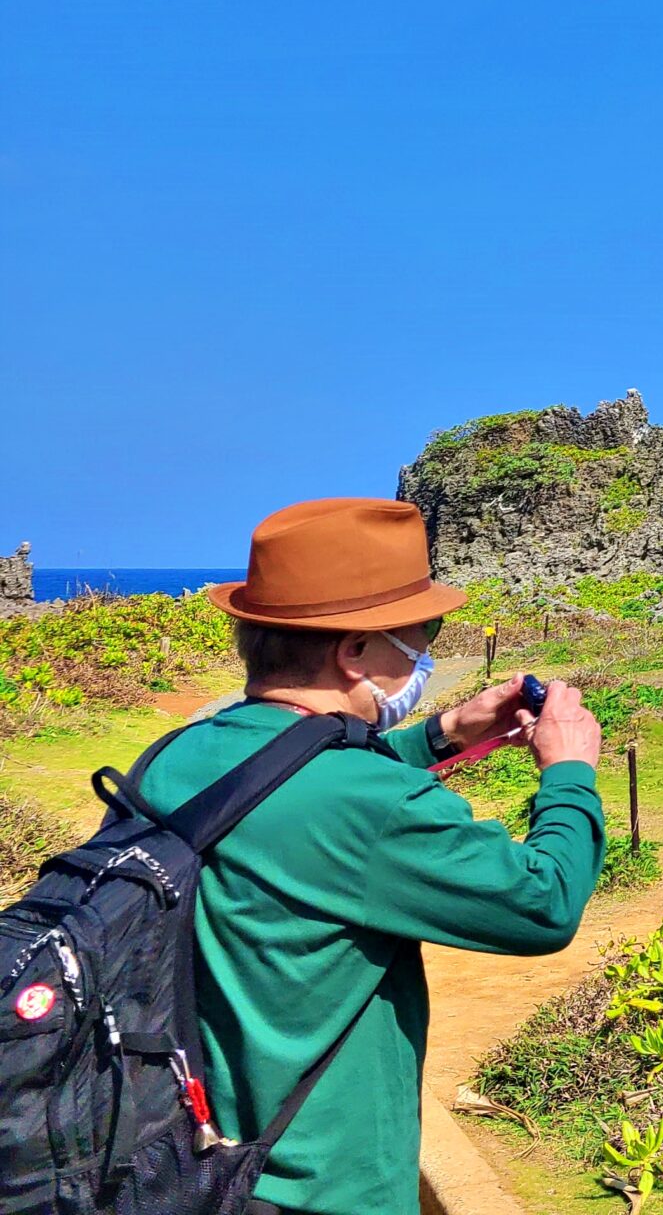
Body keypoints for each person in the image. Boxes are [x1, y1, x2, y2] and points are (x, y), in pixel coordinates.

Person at [139, 497, 605, 1215]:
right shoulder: (374, 802)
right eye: (424, 633)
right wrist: (569, 772)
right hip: (327, 1185)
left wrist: (444, 732)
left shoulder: (174, 757)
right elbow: (543, 904)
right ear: (355, 651)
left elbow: (288, 789)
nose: (428, 653)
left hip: (185, 1161)